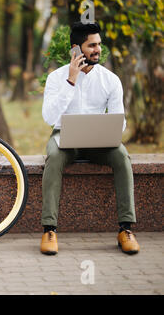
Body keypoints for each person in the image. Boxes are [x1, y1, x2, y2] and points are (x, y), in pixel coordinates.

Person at [40, 22, 140, 255]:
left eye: (99, 44)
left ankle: (126, 229)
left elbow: (120, 120)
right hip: (64, 137)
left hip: (99, 140)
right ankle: (49, 230)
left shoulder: (111, 80)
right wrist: (71, 81)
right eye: (91, 45)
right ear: (76, 49)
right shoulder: (57, 78)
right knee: (53, 158)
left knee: (122, 157)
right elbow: (49, 118)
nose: (98, 50)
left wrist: (109, 129)